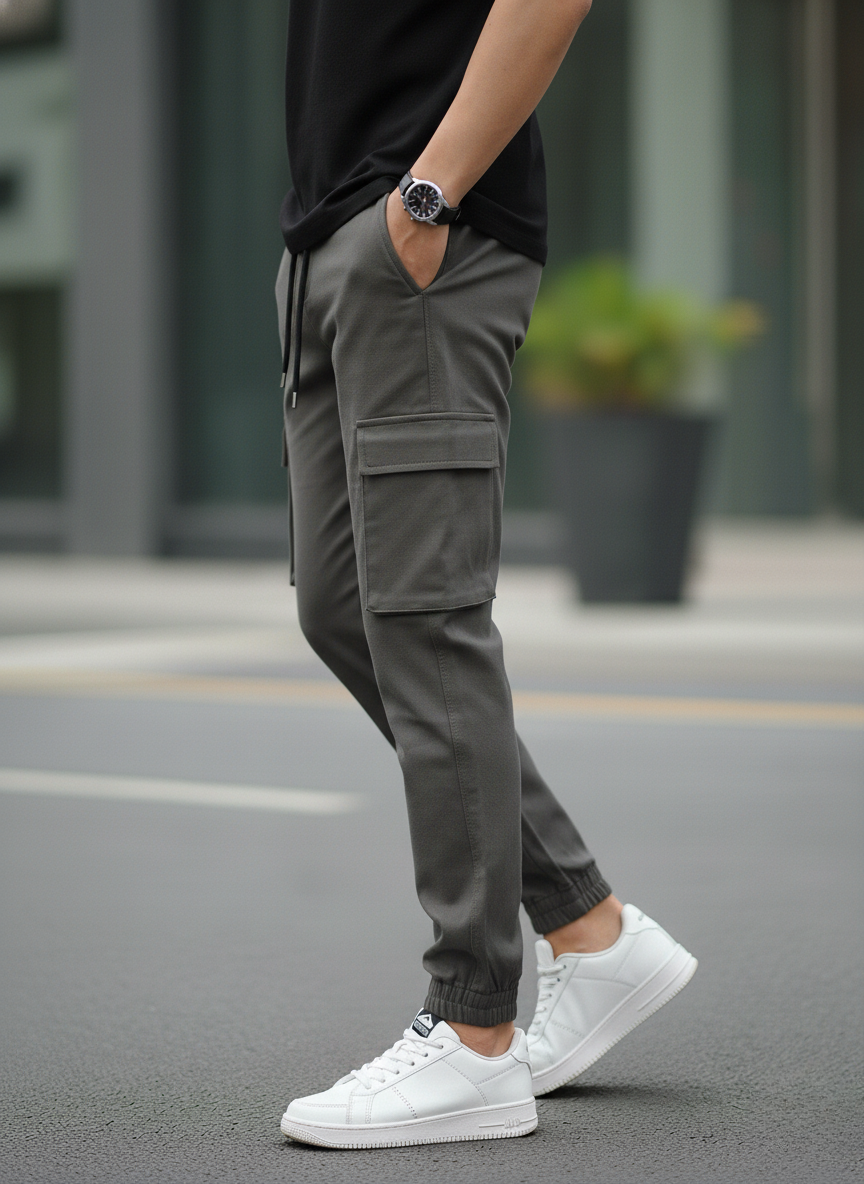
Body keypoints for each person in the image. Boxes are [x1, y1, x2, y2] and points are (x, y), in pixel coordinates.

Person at [276, 0, 697, 1149]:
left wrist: (428, 196)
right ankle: (590, 928)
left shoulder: (425, 211)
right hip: (332, 241)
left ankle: (473, 1035)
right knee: (344, 608)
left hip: (420, 229)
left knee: (425, 617)